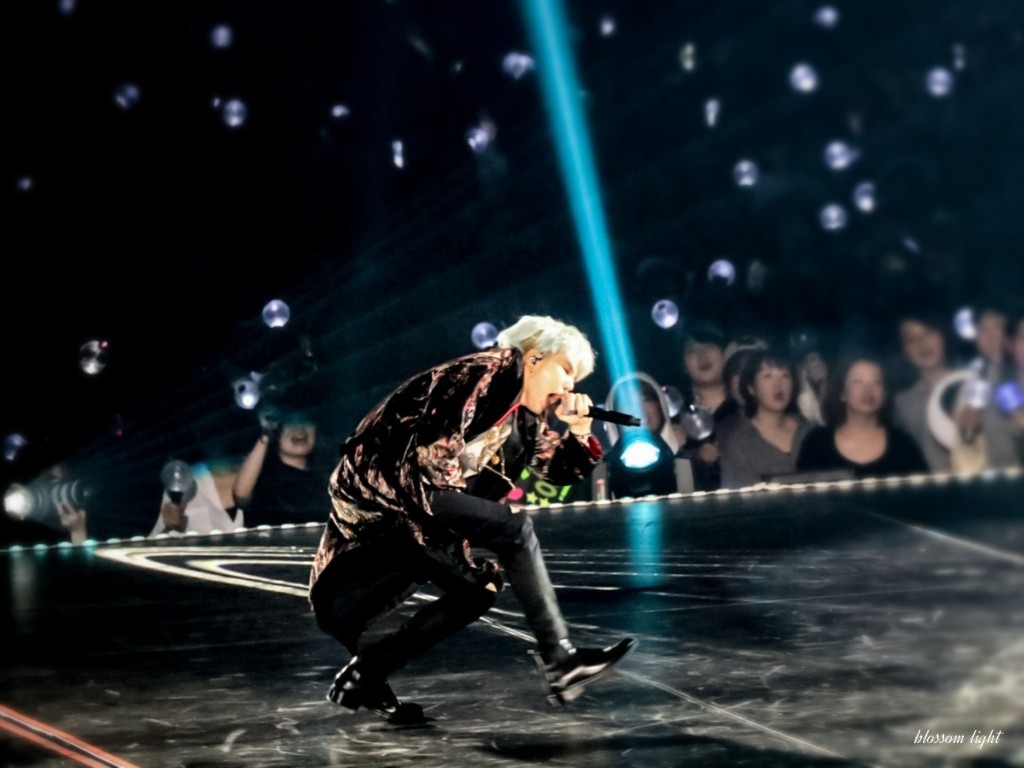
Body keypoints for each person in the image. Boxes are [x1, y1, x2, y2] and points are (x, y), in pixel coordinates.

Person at [308, 315, 635, 722]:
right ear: (533, 359)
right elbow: (432, 449)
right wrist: (459, 532)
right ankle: (561, 660)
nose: (570, 386)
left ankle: (368, 672)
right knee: (515, 529)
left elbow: (556, 470)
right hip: (397, 493)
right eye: (566, 370)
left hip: (417, 513)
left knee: (480, 589)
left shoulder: (523, 418)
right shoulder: (487, 370)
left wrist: (580, 430)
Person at [797, 355, 928, 479]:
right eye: (858, 381)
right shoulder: (816, 444)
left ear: (884, 395)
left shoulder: (903, 445)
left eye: (876, 382)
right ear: (842, 393)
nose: (868, 389)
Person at [719, 348, 813, 489]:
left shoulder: (810, 432)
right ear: (751, 388)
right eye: (767, 376)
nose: (778, 384)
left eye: (785, 375)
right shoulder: (739, 442)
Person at [233, 408, 332, 526]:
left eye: (305, 421)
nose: (299, 428)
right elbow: (241, 498)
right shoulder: (266, 479)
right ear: (276, 432)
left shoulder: (329, 477)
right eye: (290, 422)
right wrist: (266, 434)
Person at [893, 312, 954, 473]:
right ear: (904, 351)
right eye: (911, 339)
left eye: (928, 332)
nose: (922, 343)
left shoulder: (971, 386)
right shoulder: (901, 404)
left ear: (943, 335)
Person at [675, 321, 730, 491]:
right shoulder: (674, 418)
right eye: (691, 350)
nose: (702, 355)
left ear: (725, 353)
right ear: (683, 365)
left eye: (709, 346)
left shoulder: (748, 408)